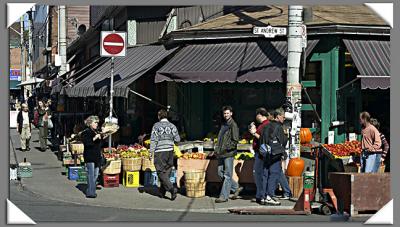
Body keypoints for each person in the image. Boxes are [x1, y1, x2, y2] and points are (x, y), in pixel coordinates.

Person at [212, 106, 243, 203]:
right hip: (221, 153)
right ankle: (236, 187)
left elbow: (235, 140)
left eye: (227, 113)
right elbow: (221, 139)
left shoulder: (233, 125)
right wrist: (217, 149)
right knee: (220, 173)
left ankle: (224, 196)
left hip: (228, 153)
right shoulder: (224, 124)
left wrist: (225, 149)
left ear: (231, 113)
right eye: (224, 113)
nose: (226, 115)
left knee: (227, 175)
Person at [150, 109, 180, 201]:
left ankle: (171, 189)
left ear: (159, 116)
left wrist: (151, 152)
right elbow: (177, 139)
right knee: (167, 169)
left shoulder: (156, 126)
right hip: (170, 151)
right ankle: (162, 191)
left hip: (160, 152)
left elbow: (153, 140)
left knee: (160, 171)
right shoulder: (172, 126)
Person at [259, 108, 288, 205]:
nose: (284, 119)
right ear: (278, 116)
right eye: (283, 117)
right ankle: (269, 196)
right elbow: (282, 142)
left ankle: (263, 196)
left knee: (265, 174)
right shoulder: (279, 127)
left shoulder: (266, 126)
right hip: (275, 154)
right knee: (274, 174)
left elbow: (261, 140)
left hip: (265, 153)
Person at [81, 116, 109, 198]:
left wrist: (103, 138)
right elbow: (87, 143)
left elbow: (100, 144)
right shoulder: (86, 132)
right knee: (91, 174)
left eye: (97, 122)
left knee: (96, 175)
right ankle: (91, 192)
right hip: (89, 156)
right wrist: (94, 138)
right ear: (90, 123)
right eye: (95, 122)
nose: (97, 124)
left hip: (97, 156)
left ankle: (90, 189)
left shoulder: (97, 132)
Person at [248, 108, 270, 205]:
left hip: (261, 153)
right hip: (259, 153)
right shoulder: (262, 125)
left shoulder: (266, 125)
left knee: (259, 174)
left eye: (257, 115)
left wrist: (254, 133)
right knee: (259, 174)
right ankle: (260, 194)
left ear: (260, 115)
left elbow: (264, 139)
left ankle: (261, 195)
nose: (256, 117)